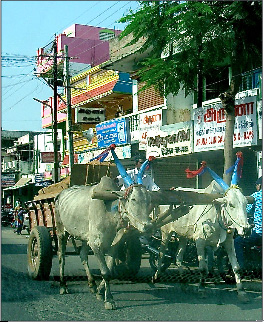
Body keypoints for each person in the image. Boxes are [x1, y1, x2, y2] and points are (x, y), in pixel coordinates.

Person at [234, 176, 262, 271]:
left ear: (260, 185)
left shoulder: (257, 195)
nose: (256, 187)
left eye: (256, 185)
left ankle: (241, 267)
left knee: (237, 241)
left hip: (259, 234)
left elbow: (246, 210)